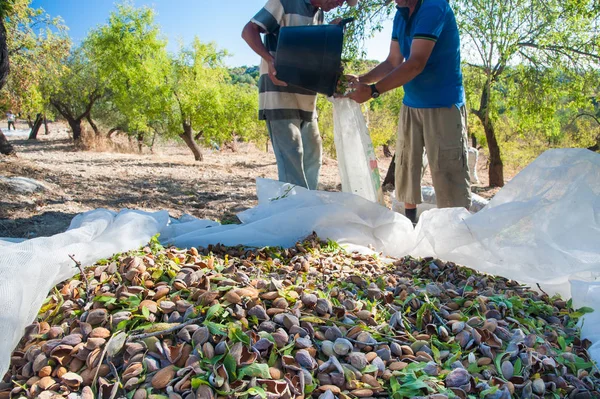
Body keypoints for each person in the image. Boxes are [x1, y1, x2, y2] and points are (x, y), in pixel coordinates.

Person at [347, 0, 471, 223]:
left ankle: (457, 234)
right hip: (411, 103)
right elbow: (393, 61)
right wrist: (362, 81)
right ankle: (409, 225)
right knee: (406, 169)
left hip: (442, 104)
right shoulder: (401, 14)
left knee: (448, 174)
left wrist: (373, 91)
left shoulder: (434, 7)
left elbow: (415, 63)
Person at [242, 0, 357, 190]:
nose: (339, 3)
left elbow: (309, 54)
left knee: (313, 155)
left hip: (306, 97)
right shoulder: (285, 3)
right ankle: (296, 211)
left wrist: (329, 34)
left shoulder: (318, 14)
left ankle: (306, 207)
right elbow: (249, 31)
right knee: (292, 158)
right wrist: (271, 60)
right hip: (279, 94)